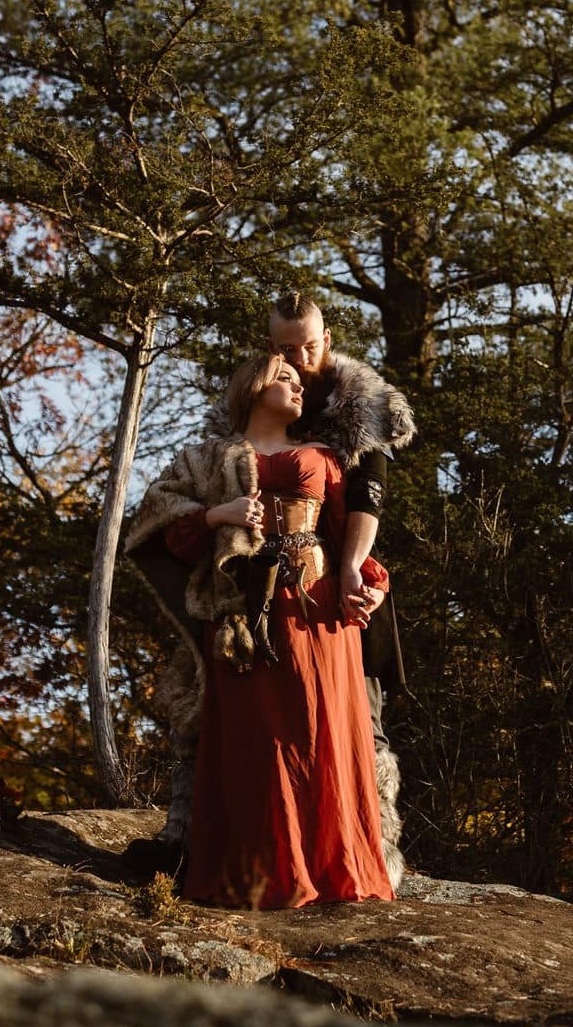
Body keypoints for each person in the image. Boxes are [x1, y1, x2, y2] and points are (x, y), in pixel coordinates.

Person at [128, 294, 415, 885]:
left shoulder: (350, 416)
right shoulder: (220, 447)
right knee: (238, 735)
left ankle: (351, 860)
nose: (301, 361)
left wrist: (362, 573)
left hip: (321, 596)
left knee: (347, 726)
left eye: (309, 347)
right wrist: (221, 515)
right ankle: (228, 860)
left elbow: (361, 504)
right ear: (264, 362)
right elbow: (162, 513)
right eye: (286, 353)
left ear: (326, 341)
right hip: (245, 604)